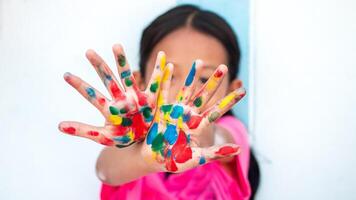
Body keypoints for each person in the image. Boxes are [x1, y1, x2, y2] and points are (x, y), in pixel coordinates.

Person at [59, 4, 259, 200]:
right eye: (169, 75)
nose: (184, 90)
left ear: (232, 90)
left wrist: (196, 133)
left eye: (205, 78)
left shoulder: (231, 130)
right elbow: (106, 171)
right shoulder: (134, 137)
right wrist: (144, 157)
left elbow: (219, 140)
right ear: (140, 82)